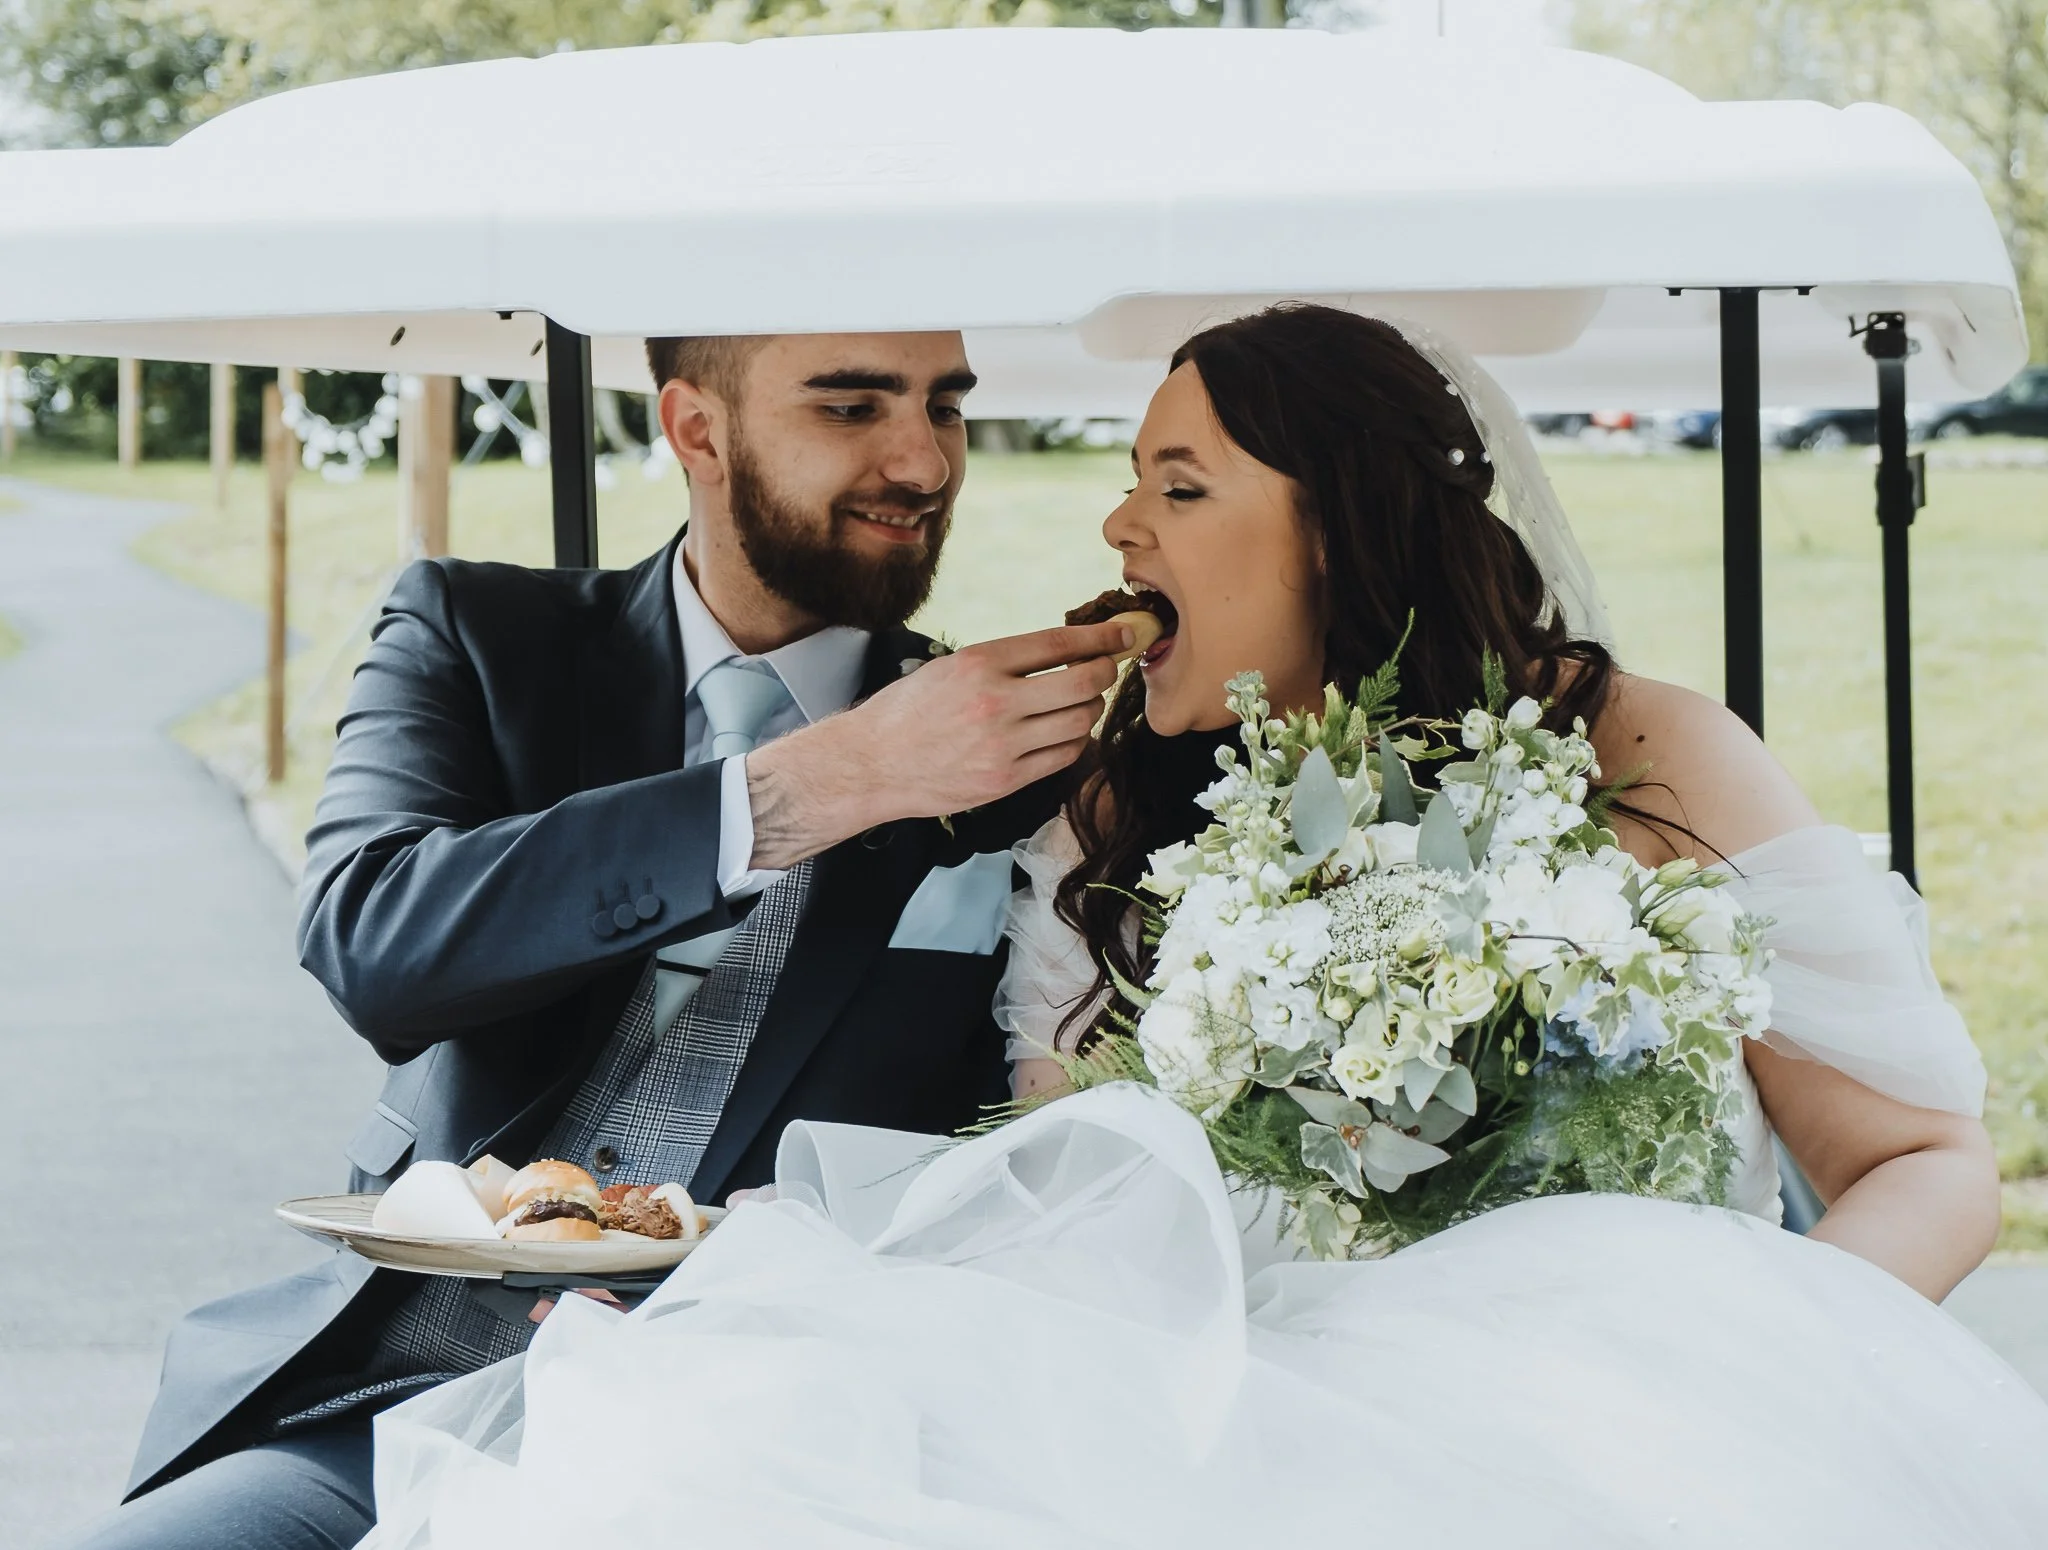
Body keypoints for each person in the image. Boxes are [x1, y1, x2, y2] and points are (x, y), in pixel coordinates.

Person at [352, 306, 2048, 1549]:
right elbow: (1047, 1193)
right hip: (1222, 1427)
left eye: (1177, 483)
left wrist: (1741, 1375)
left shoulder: (1645, 759)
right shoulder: (1111, 811)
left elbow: (1924, 1162)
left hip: (1627, 1433)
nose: (1114, 527)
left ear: (1340, 523)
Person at [62, 329, 1133, 1550]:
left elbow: (1034, 1187)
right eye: (850, 408)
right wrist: (825, 781)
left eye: (943, 407)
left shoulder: (1016, 759)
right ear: (695, 429)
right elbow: (373, 942)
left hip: (747, 1453)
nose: (925, 461)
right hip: (387, 1405)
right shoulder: (474, 632)